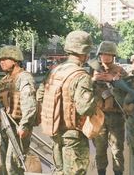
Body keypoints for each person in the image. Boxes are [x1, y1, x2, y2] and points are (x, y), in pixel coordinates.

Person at [36, 30, 97, 174]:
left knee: (59, 171)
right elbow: (85, 109)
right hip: (73, 136)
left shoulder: (55, 71)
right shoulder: (81, 75)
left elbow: (40, 96)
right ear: (85, 53)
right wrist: (97, 96)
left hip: (55, 131)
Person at [0, 45, 37, 175]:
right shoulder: (4, 80)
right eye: (0, 60)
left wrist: (25, 126)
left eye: (5, 59)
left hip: (17, 127)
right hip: (4, 128)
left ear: (15, 60)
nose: (1, 62)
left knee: (13, 166)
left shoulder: (24, 78)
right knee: (4, 165)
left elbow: (30, 104)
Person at [92, 41, 127, 175]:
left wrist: (114, 80)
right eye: (103, 54)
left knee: (117, 150)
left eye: (109, 54)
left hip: (116, 116)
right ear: (99, 55)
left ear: (113, 56)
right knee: (100, 150)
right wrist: (93, 80)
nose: (105, 57)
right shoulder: (93, 69)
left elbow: (128, 91)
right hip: (99, 116)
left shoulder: (120, 71)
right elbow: (84, 90)